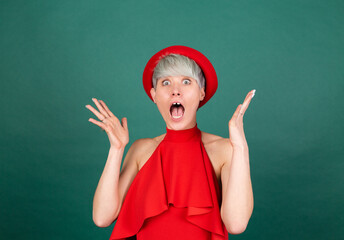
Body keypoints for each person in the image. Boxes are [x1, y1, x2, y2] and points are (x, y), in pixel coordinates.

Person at [86, 45, 255, 240]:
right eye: (166, 82)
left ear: (201, 93)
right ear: (154, 95)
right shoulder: (141, 149)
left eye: (186, 81)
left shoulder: (224, 150)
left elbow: (236, 224)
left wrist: (241, 147)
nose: (175, 91)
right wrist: (116, 149)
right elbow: (102, 218)